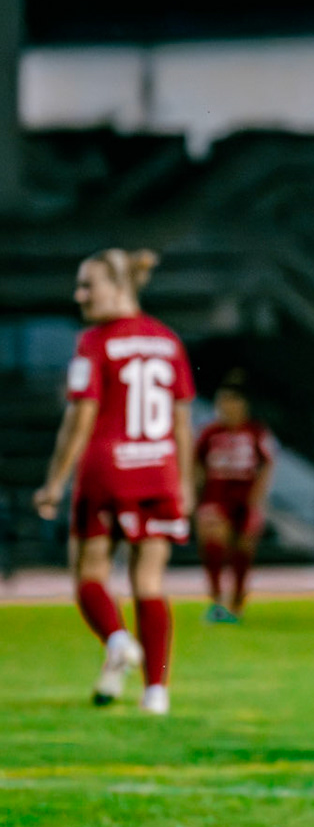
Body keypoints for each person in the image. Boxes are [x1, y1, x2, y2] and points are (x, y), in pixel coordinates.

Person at [33, 248, 196, 716]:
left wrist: (54, 482)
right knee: (149, 581)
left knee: (88, 575)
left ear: (119, 287)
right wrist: (184, 483)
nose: (79, 295)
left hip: (108, 471)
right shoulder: (167, 340)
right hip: (160, 472)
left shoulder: (94, 342)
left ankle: (118, 641)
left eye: (89, 285)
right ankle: (156, 693)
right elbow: (182, 423)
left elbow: (80, 418)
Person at [194, 373, 277, 623]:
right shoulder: (209, 433)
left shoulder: (256, 432)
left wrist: (258, 497)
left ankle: (237, 601)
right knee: (213, 545)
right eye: (222, 403)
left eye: (231, 402)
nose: (226, 408)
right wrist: (194, 496)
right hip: (217, 499)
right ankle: (216, 600)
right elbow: (196, 464)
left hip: (245, 500)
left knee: (243, 550)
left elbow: (267, 464)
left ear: (243, 405)